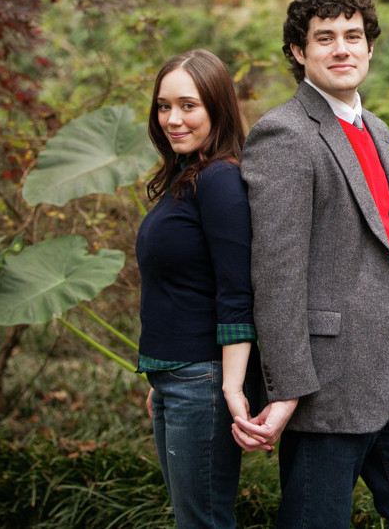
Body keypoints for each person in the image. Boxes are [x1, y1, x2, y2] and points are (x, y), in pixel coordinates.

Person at [234, 0, 389, 527]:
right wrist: (287, 388)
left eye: (353, 36)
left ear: (369, 46)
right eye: (325, 37)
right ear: (298, 51)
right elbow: (277, 274)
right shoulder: (284, 135)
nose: (342, 49)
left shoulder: (376, 128)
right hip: (328, 382)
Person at [136, 49, 255, 529]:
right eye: (164, 106)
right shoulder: (186, 177)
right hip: (176, 377)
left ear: (217, 108)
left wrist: (228, 387)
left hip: (200, 381)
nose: (172, 119)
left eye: (188, 105)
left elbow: (236, 290)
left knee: (203, 522)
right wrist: (161, 377)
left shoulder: (220, 179)